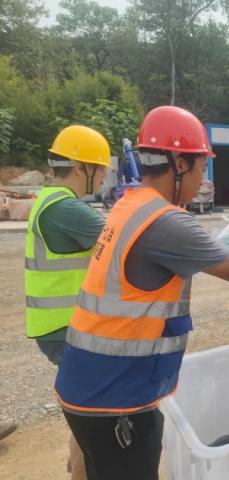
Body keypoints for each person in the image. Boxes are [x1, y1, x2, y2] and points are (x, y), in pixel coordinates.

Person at [53, 106, 229, 480]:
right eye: (202, 169)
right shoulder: (166, 221)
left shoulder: (131, 205)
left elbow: (222, 261)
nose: (202, 181)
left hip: (92, 381)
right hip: (114, 394)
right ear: (179, 165)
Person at [25, 125, 112, 479]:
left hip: (59, 326)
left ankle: (76, 459)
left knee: (85, 408)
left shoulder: (51, 200)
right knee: (95, 417)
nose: (104, 175)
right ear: (81, 167)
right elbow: (121, 240)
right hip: (65, 328)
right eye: (100, 168)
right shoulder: (64, 208)